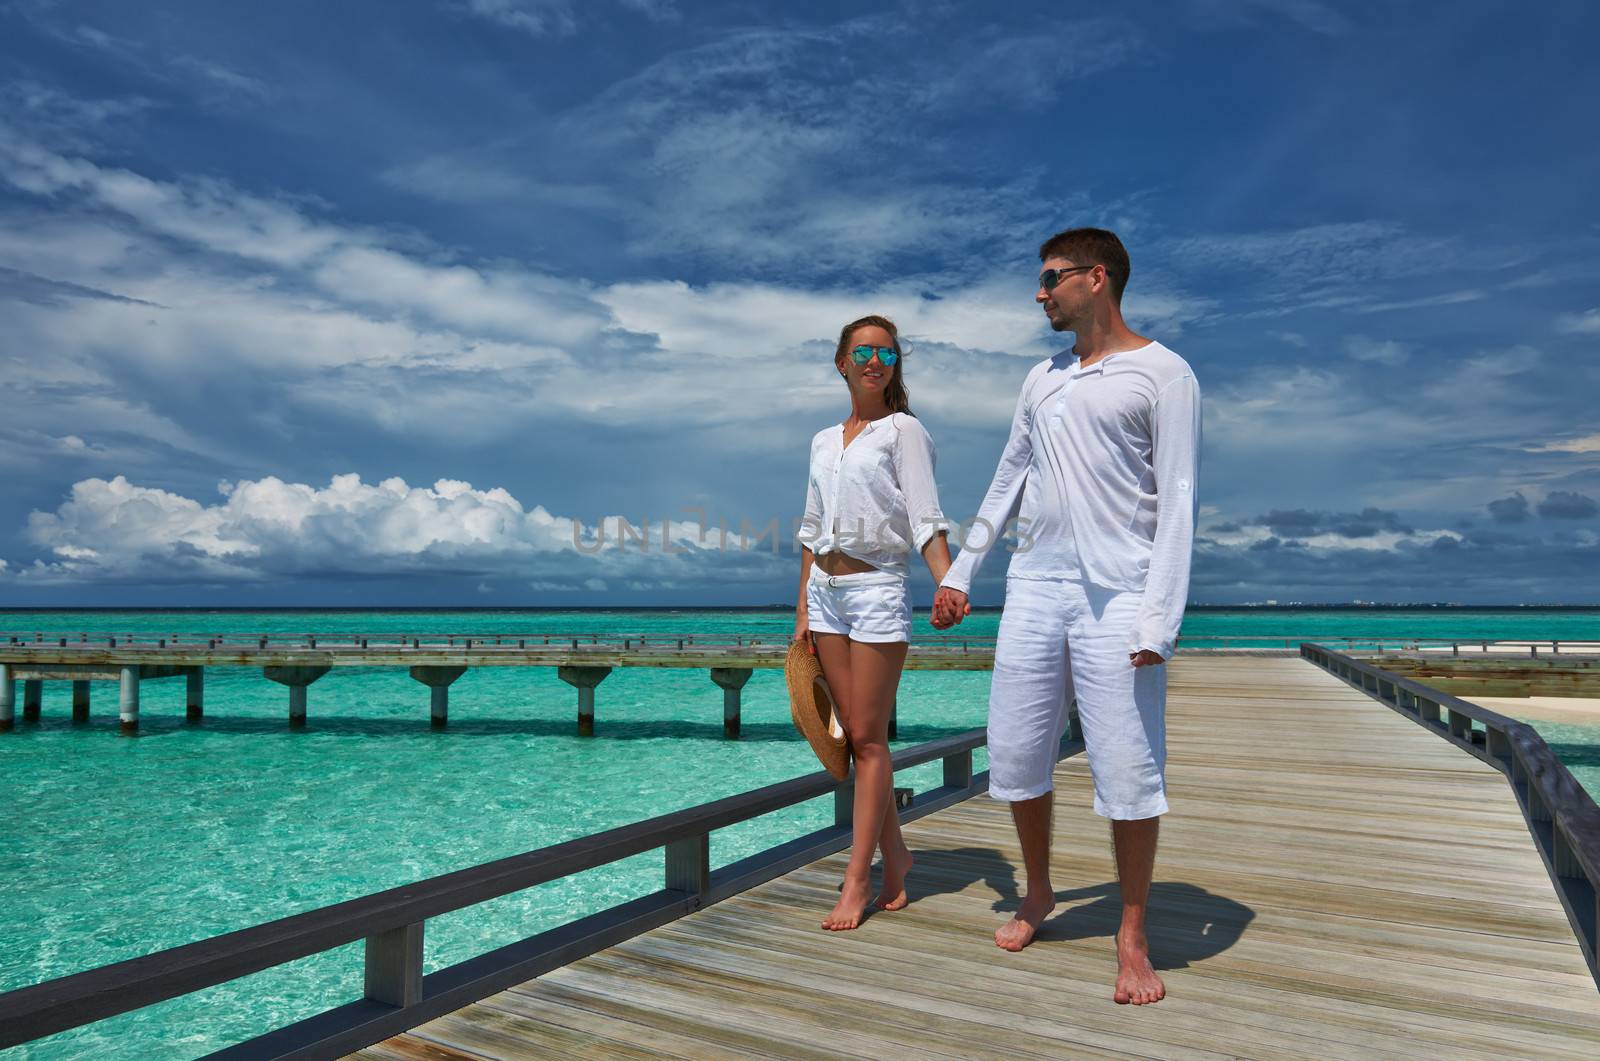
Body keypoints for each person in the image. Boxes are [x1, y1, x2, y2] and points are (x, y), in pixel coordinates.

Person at [932, 228, 1201, 1005]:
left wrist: (1159, 620)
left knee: (1126, 767)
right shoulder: (1040, 379)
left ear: (1098, 277)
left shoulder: (1163, 374)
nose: (1039, 292)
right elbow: (1007, 476)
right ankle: (1041, 890)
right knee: (1015, 755)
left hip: (1120, 594)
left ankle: (1132, 928)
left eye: (1051, 278)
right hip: (1035, 586)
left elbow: (1178, 501)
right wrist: (963, 572)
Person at [794, 314, 953, 931]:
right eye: (862, 352)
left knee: (867, 735)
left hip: (877, 589)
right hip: (827, 593)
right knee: (858, 739)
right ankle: (898, 857)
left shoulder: (903, 432)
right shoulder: (821, 440)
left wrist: (950, 582)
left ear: (894, 367)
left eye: (885, 354)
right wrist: (804, 606)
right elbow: (810, 526)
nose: (873, 361)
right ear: (841, 362)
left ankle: (856, 879)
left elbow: (926, 518)